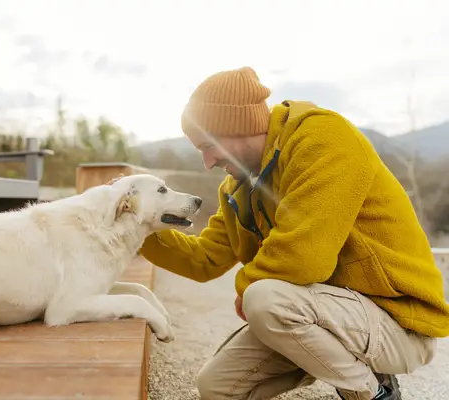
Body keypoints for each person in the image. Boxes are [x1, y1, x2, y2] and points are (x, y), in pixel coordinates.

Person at [136, 67, 449, 400]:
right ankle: (335, 360)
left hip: (395, 320)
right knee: (216, 387)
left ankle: (372, 392)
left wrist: (250, 290)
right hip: (323, 315)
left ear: (239, 127)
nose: (207, 162)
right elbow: (204, 259)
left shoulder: (323, 138)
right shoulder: (238, 188)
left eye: (209, 146)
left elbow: (304, 257)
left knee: (265, 299)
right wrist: (134, 226)